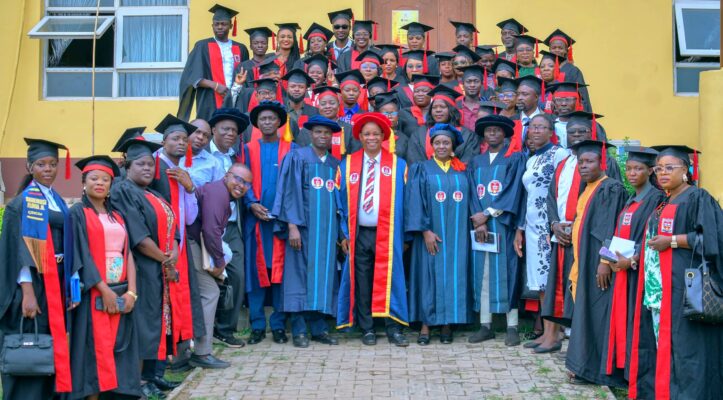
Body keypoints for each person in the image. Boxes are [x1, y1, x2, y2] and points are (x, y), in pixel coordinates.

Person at [628, 146, 722, 400]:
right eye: (659, 168)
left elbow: (713, 239)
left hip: (684, 289)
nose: (663, 173)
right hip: (659, 292)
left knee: (687, 350)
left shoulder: (698, 198)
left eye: (670, 168)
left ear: (686, 170)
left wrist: (672, 241)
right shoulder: (664, 201)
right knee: (665, 347)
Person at [0, 139, 73, 399]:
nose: (48, 169)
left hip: (56, 281)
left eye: (53, 164)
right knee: (32, 343)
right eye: (41, 164)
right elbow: (17, 251)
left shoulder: (56, 199)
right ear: (29, 167)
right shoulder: (21, 203)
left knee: (49, 343)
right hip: (34, 284)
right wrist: (28, 293)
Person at [109, 138, 180, 398]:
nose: (148, 169)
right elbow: (137, 236)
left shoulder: (153, 193)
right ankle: (138, 382)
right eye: (141, 164)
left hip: (159, 267)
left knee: (156, 322)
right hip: (141, 268)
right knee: (142, 324)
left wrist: (172, 253)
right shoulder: (123, 191)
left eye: (151, 164)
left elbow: (173, 227)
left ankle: (151, 376)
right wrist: (165, 260)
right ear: (128, 166)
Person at [68, 155, 141, 399]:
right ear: (84, 183)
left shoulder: (117, 215)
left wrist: (131, 292)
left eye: (105, 179)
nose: (100, 183)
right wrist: (104, 290)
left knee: (118, 348)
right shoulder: (77, 213)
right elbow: (82, 255)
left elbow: (127, 253)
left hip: (121, 289)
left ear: (111, 185)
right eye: (94, 178)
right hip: (95, 293)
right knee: (94, 352)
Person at [336, 112, 409, 347]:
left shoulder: (398, 165)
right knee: (363, 280)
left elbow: (408, 204)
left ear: (383, 136)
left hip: (389, 233)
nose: (371, 138)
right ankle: (366, 328)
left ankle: (393, 328)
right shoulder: (347, 164)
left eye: (376, 134)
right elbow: (339, 203)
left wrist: (406, 236)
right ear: (359, 137)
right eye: (366, 134)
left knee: (391, 279)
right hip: (359, 234)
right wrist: (343, 235)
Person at [272, 115, 343, 348]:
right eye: (318, 132)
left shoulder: (335, 165)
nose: (323, 136)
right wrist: (292, 226)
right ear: (311, 134)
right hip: (302, 231)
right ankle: (299, 330)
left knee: (323, 278)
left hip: (327, 233)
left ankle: (319, 328)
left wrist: (341, 235)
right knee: (299, 278)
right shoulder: (297, 157)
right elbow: (289, 192)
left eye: (327, 133)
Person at [564, 140, 628, 387]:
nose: (583, 166)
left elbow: (610, 227)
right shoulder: (588, 188)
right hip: (584, 260)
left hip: (597, 263)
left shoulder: (610, 188)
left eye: (589, 161)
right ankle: (582, 365)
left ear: (603, 164)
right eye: (580, 162)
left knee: (597, 314)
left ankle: (595, 371)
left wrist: (604, 261)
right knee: (585, 313)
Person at [601, 147, 664, 382]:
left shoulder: (656, 199)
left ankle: (637, 375)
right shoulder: (631, 199)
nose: (632, 173)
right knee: (622, 320)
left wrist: (632, 259)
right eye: (628, 169)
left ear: (650, 171)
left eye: (638, 169)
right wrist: (608, 258)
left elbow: (651, 237)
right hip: (622, 270)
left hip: (639, 272)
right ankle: (623, 370)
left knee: (637, 323)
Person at [406, 123, 472, 345]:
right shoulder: (421, 168)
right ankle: (425, 326)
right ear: (431, 145)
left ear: (453, 146)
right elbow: (414, 202)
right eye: (437, 143)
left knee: (454, 277)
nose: (442, 146)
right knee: (428, 278)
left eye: (446, 142)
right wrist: (425, 231)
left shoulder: (462, 170)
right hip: (430, 235)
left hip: (457, 237)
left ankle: (447, 324)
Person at [467, 115, 526, 346]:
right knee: (483, 273)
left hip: (504, 225)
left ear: (505, 134)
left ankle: (512, 326)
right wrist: (479, 220)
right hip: (481, 227)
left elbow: (513, 191)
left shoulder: (514, 159)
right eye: (488, 130)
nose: (492, 133)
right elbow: (472, 192)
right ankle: (485, 325)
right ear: (483, 135)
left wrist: (488, 213)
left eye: (497, 130)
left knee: (508, 272)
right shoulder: (476, 162)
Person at [242, 101, 297, 345]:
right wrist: (251, 204)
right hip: (254, 222)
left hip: (281, 224)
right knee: (256, 273)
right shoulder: (246, 149)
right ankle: (257, 325)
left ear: (279, 122)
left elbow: (296, 184)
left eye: (271, 118)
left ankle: (278, 325)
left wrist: (285, 214)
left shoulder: (291, 149)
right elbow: (240, 181)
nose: (267, 122)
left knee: (279, 273)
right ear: (256, 123)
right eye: (262, 119)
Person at [187, 163, 252, 368]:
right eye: (238, 179)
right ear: (226, 176)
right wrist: (220, 262)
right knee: (210, 293)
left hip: (196, 243)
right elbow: (210, 230)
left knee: (206, 293)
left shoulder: (223, 194)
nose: (241, 185)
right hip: (191, 243)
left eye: (246, 184)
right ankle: (202, 353)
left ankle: (194, 350)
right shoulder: (218, 194)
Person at [517, 114, 568, 352]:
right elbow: (528, 196)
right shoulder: (532, 158)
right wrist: (520, 229)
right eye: (532, 127)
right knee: (539, 282)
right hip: (532, 227)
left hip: (549, 226)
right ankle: (546, 332)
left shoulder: (559, 154)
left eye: (541, 127)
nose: (535, 131)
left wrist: (556, 222)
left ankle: (554, 335)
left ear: (551, 131)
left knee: (550, 280)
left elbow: (562, 190)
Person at [206, 108, 252, 348]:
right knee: (207, 276)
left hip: (232, 226)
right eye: (225, 129)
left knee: (236, 275)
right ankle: (204, 330)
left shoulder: (236, 159)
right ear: (213, 129)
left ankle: (225, 329)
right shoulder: (202, 156)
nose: (230, 134)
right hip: (207, 225)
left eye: (234, 131)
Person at [178, 4, 249, 121]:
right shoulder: (202, 46)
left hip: (236, 98)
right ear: (212, 26)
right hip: (209, 99)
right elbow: (191, 76)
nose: (220, 27)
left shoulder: (241, 48)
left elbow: (246, 76)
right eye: (216, 24)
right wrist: (215, 86)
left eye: (224, 24)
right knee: (210, 127)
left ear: (231, 26)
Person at [406, 85, 480, 166]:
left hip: (457, 173)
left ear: (451, 110)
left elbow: (468, 162)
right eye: (434, 107)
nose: (438, 110)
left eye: (442, 107)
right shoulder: (419, 134)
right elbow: (415, 162)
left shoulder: (467, 135)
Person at [543, 29, 592, 112]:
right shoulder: (544, 70)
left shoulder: (574, 71)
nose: (557, 50)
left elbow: (583, 98)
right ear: (549, 50)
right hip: (546, 113)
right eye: (554, 48)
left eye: (560, 48)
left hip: (568, 113)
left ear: (566, 50)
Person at [310, 86, 360, 159]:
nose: (327, 106)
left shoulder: (350, 129)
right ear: (318, 106)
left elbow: (356, 156)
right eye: (323, 104)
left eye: (332, 103)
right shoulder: (310, 129)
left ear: (338, 105)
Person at [180, 118, 226, 188]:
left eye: (205, 135)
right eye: (197, 132)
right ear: (187, 132)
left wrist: (192, 188)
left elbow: (219, 191)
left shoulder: (214, 164)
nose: (201, 137)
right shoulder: (171, 153)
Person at [457, 65, 486, 131]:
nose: (472, 85)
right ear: (463, 84)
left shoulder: (487, 107)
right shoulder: (455, 107)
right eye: (468, 81)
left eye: (476, 81)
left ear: (481, 84)